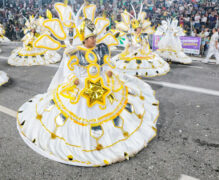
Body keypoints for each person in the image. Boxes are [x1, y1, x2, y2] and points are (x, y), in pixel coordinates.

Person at [17, 2, 159, 167]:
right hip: (82, 87)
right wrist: (74, 80)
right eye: (91, 37)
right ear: (84, 39)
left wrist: (107, 71)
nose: (94, 39)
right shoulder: (75, 52)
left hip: (101, 84)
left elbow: (104, 65)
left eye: (94, 37)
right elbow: (69, 71)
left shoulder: (101, 50)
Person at [113, 3, 170, 77]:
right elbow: (129, 45)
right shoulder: (131, 35)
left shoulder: (143, 36)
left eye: (140, 28)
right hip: (132, 52)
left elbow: (145, 45)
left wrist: (143, 47)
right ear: (135, 29)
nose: (139, 30)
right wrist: (134, 46)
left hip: (141, 52)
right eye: (138, 28)